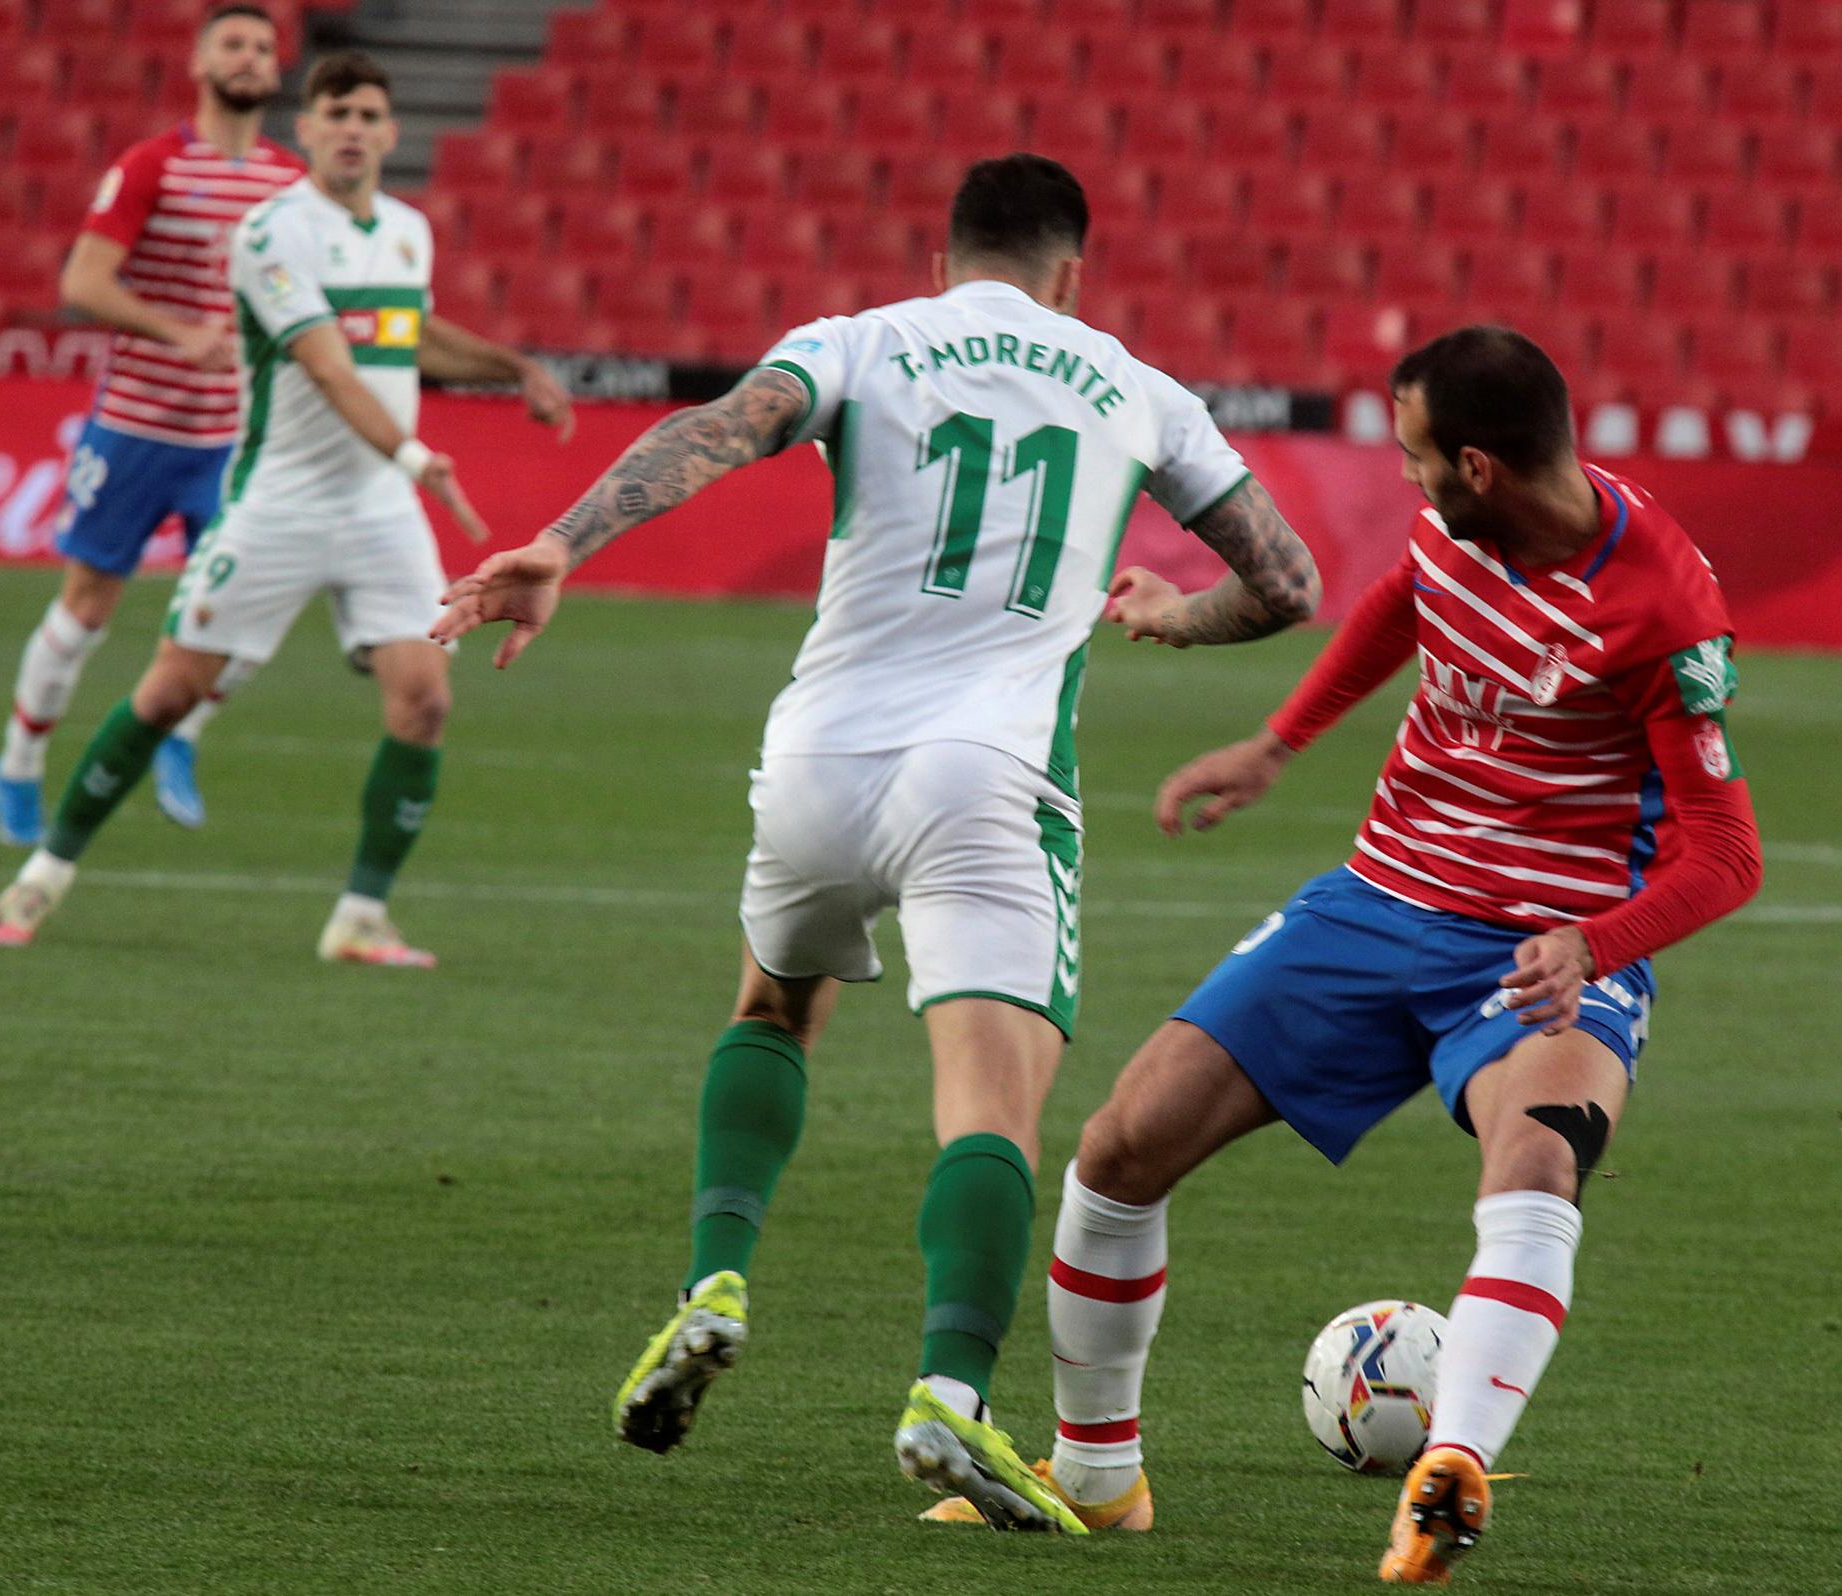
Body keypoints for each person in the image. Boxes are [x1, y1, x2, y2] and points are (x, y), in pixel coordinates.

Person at [431, 154, 1321, 1531]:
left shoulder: (861, 341)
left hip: (816, 759)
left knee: (773, 1011)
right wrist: (1173, 611)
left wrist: (558, 542)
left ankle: (715, 1279)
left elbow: (724, 427)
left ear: (943, 258)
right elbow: (1288, 584)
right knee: (991, 1110)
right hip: (987, 777)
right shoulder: (1136, 387)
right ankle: (948, 1399)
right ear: (1070, 272)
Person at [929, 326, 1764, 1571]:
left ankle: (1453, 1465)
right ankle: (1097, 1479)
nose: (1405, 476)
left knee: (1533, 1173)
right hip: (1376, 903)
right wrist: (1276, 743)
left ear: (1478, 465)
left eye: (1417, 452)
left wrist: (1595, 942)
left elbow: (1725, 854)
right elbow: (1397, 605)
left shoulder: (1658, 605)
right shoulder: (1456, 534)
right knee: (1116, 1150)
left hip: (1540, 949)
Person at [0, 50, 574, 964]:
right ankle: (41, 878)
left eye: (368, 114)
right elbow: (328, 364)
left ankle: (359, 917)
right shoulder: (271, 232)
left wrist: (515, 368)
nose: (351, 128)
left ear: (389, 132)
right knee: (169, 693)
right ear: (304, 131)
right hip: (279, 502)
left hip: (378, 509)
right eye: (334, 112)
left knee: (423, 703)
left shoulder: (408, 231)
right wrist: (419, 455)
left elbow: (408, 334)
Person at [0, 2, 302, 844]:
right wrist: (177, 332)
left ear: (277, 70)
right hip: (134, 429)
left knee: (246, 608)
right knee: (88, 606)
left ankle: (179, 737)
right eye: (233, 43)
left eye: (264, 47)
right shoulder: (152, 166)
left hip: (231, 443)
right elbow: (82, 284)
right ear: (200, 65)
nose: (250, 57)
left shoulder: (288, 183)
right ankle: (18, 761)